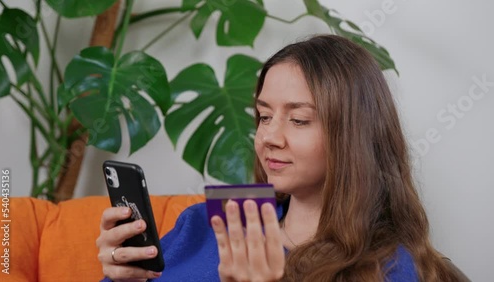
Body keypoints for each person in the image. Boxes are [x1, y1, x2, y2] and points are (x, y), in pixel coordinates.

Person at [96, 34, 463, 281]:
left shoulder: (389, 267)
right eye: (265, 116)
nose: (269, 137)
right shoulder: (205, 221)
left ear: (352, 135)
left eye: (299, 119)